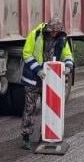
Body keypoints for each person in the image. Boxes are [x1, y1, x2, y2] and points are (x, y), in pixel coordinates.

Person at [20, 17, 74, 150]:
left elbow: (67, 55)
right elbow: (27, 53)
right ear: (48, 29)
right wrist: (38, 70)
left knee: (49, 109)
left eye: (56, 32)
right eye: (52, 31)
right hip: (33, 79)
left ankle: (44, 135)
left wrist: (68, 66)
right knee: (30, 108)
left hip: (50, 80)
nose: (54, 34)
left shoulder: (62, 39)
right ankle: (26, 137)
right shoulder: (36, 34)